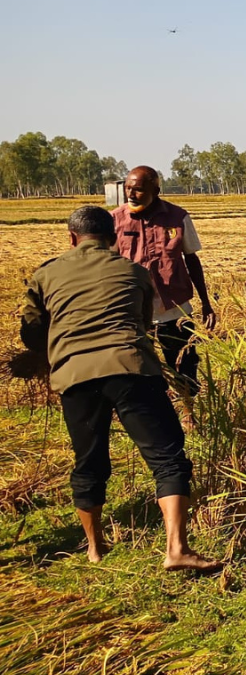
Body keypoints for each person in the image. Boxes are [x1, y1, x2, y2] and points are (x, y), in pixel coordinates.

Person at [19, 206, 220, 572]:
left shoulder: (45, 274)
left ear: (72, 238)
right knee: (167, 457)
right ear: (113, 238)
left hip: (75, 377)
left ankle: (95, 548)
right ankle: (176, 549)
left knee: (89, 461)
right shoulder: (136, 272)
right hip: (131, 369)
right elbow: (143, 324)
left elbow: (32, 332)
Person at [112, 166, 216, 413]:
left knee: (183, 363)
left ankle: (188, 409)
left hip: (174, 308)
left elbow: (191, 259)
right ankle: (147, 412)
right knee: (135, 364)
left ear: (156, 190)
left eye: (138, 189)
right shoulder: (114, 219)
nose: (131, 194)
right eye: (128, 188)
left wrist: (206, 303)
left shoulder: (177, 217)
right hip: (133, 308)